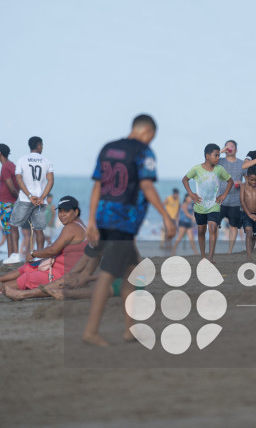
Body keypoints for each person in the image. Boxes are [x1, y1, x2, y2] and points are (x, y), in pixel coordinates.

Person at [82, 114, 175, 347]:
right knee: (107, 275)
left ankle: (130, 330)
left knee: (132, 270)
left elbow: (97, 186)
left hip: (103, 218)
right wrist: (166, 217)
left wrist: (91, 221)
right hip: (123, 222)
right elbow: (146, 185)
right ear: (149, 133)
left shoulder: (108, 148)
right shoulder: (143, 152)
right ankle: (91, 331)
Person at [0, 196, 87, 296]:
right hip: (58, 268)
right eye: (60, 211)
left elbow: (53, 250)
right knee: (27, 267)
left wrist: (33, 253)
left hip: (61, 275)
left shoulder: (71, 228)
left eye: (66, 211)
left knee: (28, 278)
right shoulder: (79, 225)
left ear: (76, 212)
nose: (62, 214)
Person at [183, 143, 233, 262]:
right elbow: (185, 179)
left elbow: (230, 181)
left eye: (218, 155)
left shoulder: (219, 169)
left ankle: (210, 257)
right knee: (201, 231)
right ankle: (203, 257)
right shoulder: (196, 169)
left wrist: (224, 195)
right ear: (207, 156)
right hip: (200, 205)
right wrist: (191, 193)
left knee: (213, 227)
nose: (217, 158)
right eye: (216, 155)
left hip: (214, 205)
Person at [8, 136, 54, 263]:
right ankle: (39, 255)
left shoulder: (22, 160)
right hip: (40, 200)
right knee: (39, 229)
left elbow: (19, 179)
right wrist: (42, 197)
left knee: (13, 225)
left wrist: (29, 195)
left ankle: (16, 255)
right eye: (42, 145)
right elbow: (51, 180)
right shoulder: (46, 161)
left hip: (25, 199)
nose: (42, 147)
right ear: (39, 146)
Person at [0, 143, 20, 262]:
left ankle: (11, 257)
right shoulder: (12, 165)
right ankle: (13, 256)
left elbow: (11, 187)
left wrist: (18, 200)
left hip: (7, 202)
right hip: (11, 202)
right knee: (12, 229)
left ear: (0, 153)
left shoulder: (5, 167)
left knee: (8, 231)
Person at [218, 140, 245, 254]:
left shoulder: (242, 164)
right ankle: (213, 249)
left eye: (232, 146)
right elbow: (209, 160)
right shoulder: (219, 161)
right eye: (227, 146)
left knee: (234, 226)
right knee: (214, 224)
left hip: (235, 200)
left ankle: (230, 251)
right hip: (220, 199)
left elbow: (250, 180)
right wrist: (221, 151)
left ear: (236, 149)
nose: (229, 148)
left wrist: (242, 184)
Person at [240, 166, 256, 260]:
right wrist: (249, 214)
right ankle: (248, 254)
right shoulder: (243, 186)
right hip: (246, 214)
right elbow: (242, 201)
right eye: (252, 180)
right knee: (249, 233)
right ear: (247, 177)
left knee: (254, 235)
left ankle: (250, 251)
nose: (254, 182)